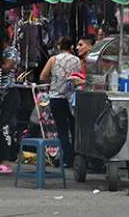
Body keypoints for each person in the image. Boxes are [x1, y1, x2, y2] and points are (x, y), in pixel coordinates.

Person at [39, 37, 82, 167]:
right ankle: (77, 157)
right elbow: (81, 76)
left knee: (62, 129)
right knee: (75, 128)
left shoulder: (53, 59)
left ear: (59, 46)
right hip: (73, 98)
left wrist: (54, 79)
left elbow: (42, 76)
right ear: (71, 47)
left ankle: (66, 159)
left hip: (57, 98)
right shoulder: (77, 60)